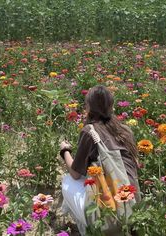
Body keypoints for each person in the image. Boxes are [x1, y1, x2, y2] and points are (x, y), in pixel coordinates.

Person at [59, 85, 140, 236]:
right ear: (112, 106)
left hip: (108, 217)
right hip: (134, 209)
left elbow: (75, 173)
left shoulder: (90, 131)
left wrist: (65, 151)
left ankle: (86, 227)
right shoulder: (125, 131)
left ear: (88, 107)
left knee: (67, 181)